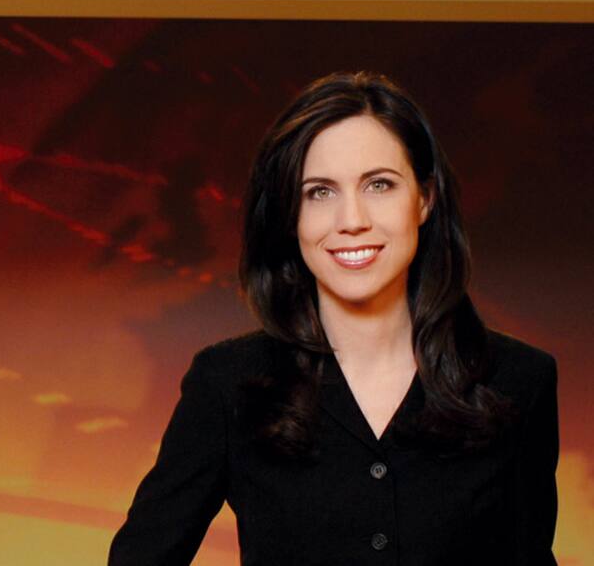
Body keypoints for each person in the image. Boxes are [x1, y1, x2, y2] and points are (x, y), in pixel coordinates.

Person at [108, 71, 559, 565]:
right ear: (290, 215)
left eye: (379, 185)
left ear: (425, 198)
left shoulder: (521, 380)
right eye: (319, 192)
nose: (352, 221)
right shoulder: (227, 383)